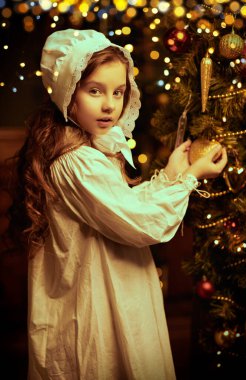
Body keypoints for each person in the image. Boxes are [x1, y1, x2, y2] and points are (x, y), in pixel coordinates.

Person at [16, 29, 227, 379]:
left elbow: (120, 205)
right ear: (69, 91)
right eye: (94, 91)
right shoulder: (76, 160)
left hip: (115, 285)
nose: (109, 105)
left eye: (118, 92)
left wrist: (173, 174)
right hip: (96, 298)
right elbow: (139, 221)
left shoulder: (92, 148)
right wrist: (191, 177)